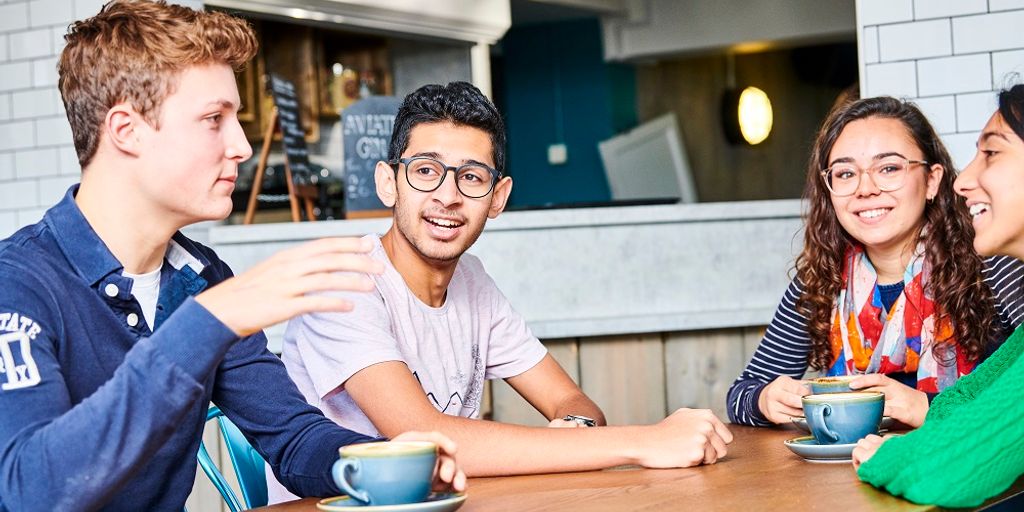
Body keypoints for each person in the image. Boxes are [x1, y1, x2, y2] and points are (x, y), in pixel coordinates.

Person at [0, 2, 463, 510]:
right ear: (125, 130)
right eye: (213, 119)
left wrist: (386, 462)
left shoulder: (202, 279)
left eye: (236, 118)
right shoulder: (16, 283)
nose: (241, 145)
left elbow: (295, 441)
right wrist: (209, 321)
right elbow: (31, 490)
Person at [267, 81, 733, 502]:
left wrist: (573, 431)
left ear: (498, 197)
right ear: (389, 183)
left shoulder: (472, 280)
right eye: (426, 170)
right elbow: (422, 437)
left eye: (471, 177)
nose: (448, 196)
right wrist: (646, 440)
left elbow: (575, 404)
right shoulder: (344, 278)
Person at [727, 96, 1024, 428]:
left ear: (932, 180)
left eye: (889, 168)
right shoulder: (820, 282)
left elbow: (1016, 403)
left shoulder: (995, 264)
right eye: (845, 173)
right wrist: (764, 399)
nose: (865, 189)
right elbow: (741, 393)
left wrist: (924, 406)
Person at [852, 84, 1024, 507]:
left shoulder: (988, 265)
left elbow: (942, 472)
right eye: (844, 173)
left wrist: (896, 453)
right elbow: (970, 399)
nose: (963, 180)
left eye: (991, 153)